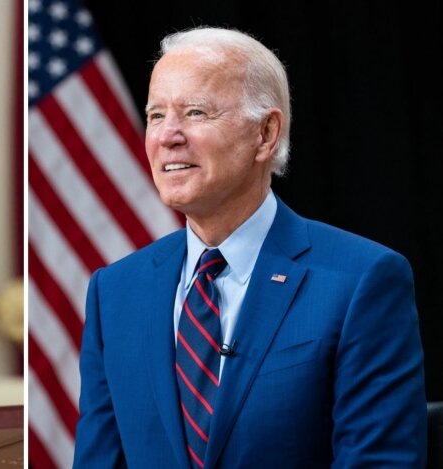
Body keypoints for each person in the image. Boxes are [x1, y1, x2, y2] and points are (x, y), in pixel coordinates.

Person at [73, 27, 426, 468]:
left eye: (196, 112)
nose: (167, 136)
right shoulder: (115, 292)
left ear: (265, 133)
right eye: (156, 114)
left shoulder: (362, 281)